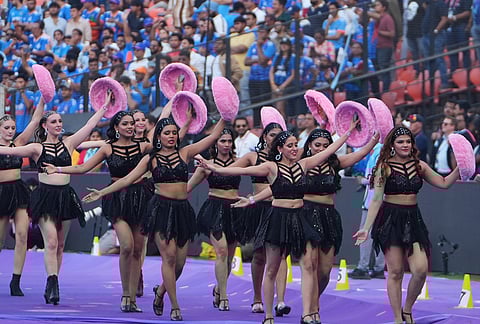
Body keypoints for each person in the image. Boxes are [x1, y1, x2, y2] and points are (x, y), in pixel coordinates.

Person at [198, 118, 358, 324]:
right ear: (280, 148)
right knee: (272, 268)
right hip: (278, 219)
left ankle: (308, 313)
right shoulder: (271, 167)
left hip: (299, 219)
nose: (294, 149)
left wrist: (348, 132)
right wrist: (216, 169)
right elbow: (242, 171)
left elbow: (330, 150)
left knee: (307, 265)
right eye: (290, 146)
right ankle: (268, 315)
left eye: (295, 145)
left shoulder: (304, 164)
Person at [82, 114, 227, 321]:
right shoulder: (150, 159)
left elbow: (211, 138)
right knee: (167, 258)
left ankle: (160, 293)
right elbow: (127, 180)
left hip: (182, 211)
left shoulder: (185, 153)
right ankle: (175, 307)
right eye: (166, 133)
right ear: (158, 136)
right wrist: (101, 193)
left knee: (179, 264)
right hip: (160, 210)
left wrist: (225, 117)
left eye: (174, 133)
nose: (171, 136)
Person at [0, 92, 112, 305]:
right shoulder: (35, 148)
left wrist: (104, 107)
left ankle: (53, 280)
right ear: (45, 126)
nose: (59, 124)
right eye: (54, 121)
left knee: (60, 245)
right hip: (45, 197)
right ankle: (52, 284)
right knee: (50, 241)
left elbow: (89, 126)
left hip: (65, 197)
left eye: (60, 121)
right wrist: (42, 99)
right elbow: (9, 150)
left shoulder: (69, 143)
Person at [44, 110, 155, 312]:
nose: (130, 127)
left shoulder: (145, 146)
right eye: (125, 124)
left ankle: (132, 297)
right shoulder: (107, 148)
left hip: (141, 198)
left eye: (132, 123)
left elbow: (169, 146)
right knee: (127, 246)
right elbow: (83, 168)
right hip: (117, 199)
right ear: (116, 128)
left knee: (139, 249)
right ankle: (125, 295)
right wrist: (58, 169)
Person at [354, 126, 459, 324]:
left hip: (413, 219)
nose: (405, 145)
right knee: (395, 272)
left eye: (408, 141)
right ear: (392, 144)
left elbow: (444, 183)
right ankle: (397, 318)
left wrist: (461, 167)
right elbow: (376, 199)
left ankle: (408, 309)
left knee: (420, 269)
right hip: (390, 219)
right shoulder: (384, 166)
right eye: (400, 141)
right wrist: (366, 228)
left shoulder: (420, 166)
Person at [300, 129, 379, 323]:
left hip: (328, 217)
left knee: (325, 271)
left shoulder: (335, 163)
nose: (321, 148)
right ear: (309, 145)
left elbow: (360, 154)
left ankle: (314, 302)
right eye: (317, 145)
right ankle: (307, 312)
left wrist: (375, 138)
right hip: (306, 215)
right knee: (309, 263)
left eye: (325, 145)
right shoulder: (302, 163)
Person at [229, 122, 290, 315]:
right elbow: (232, 169)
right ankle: (257, 298)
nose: (275, 138)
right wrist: (211, 166)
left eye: (279, 135)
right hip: (259, 209)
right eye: (272, 135)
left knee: (281, 256)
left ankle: (280, 301)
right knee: (259, 256)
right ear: (264, 137)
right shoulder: (253, 157)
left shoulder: (286, 159)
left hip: (280, 208)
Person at [188, 128, 241, 311]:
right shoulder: (206, 165)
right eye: (222, 141)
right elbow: (188, 187)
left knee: (229, 258)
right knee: (222, 252)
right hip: (215, 209)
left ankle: (219, 289)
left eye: (229, 141)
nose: (226, 145)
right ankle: (225, 297)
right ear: (215, 143)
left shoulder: (238, 163)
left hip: (234, 210)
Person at [0, 97, 45, 296]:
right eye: (7, 128)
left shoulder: (18, 143)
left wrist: (44, 96)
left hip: (18, 190)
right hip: (1, 192)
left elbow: (35, 120)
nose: (10, 131)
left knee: (22, 235)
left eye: (12, 127)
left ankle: (15, 280)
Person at [349, 143, 385, 280]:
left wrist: (362, 180)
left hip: (373, 200)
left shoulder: (378, 152)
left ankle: (363, 267)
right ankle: (379, 267)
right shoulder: (380, 151)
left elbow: (374, 177)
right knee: (380, 235)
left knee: (366, 233)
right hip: (379, 199)